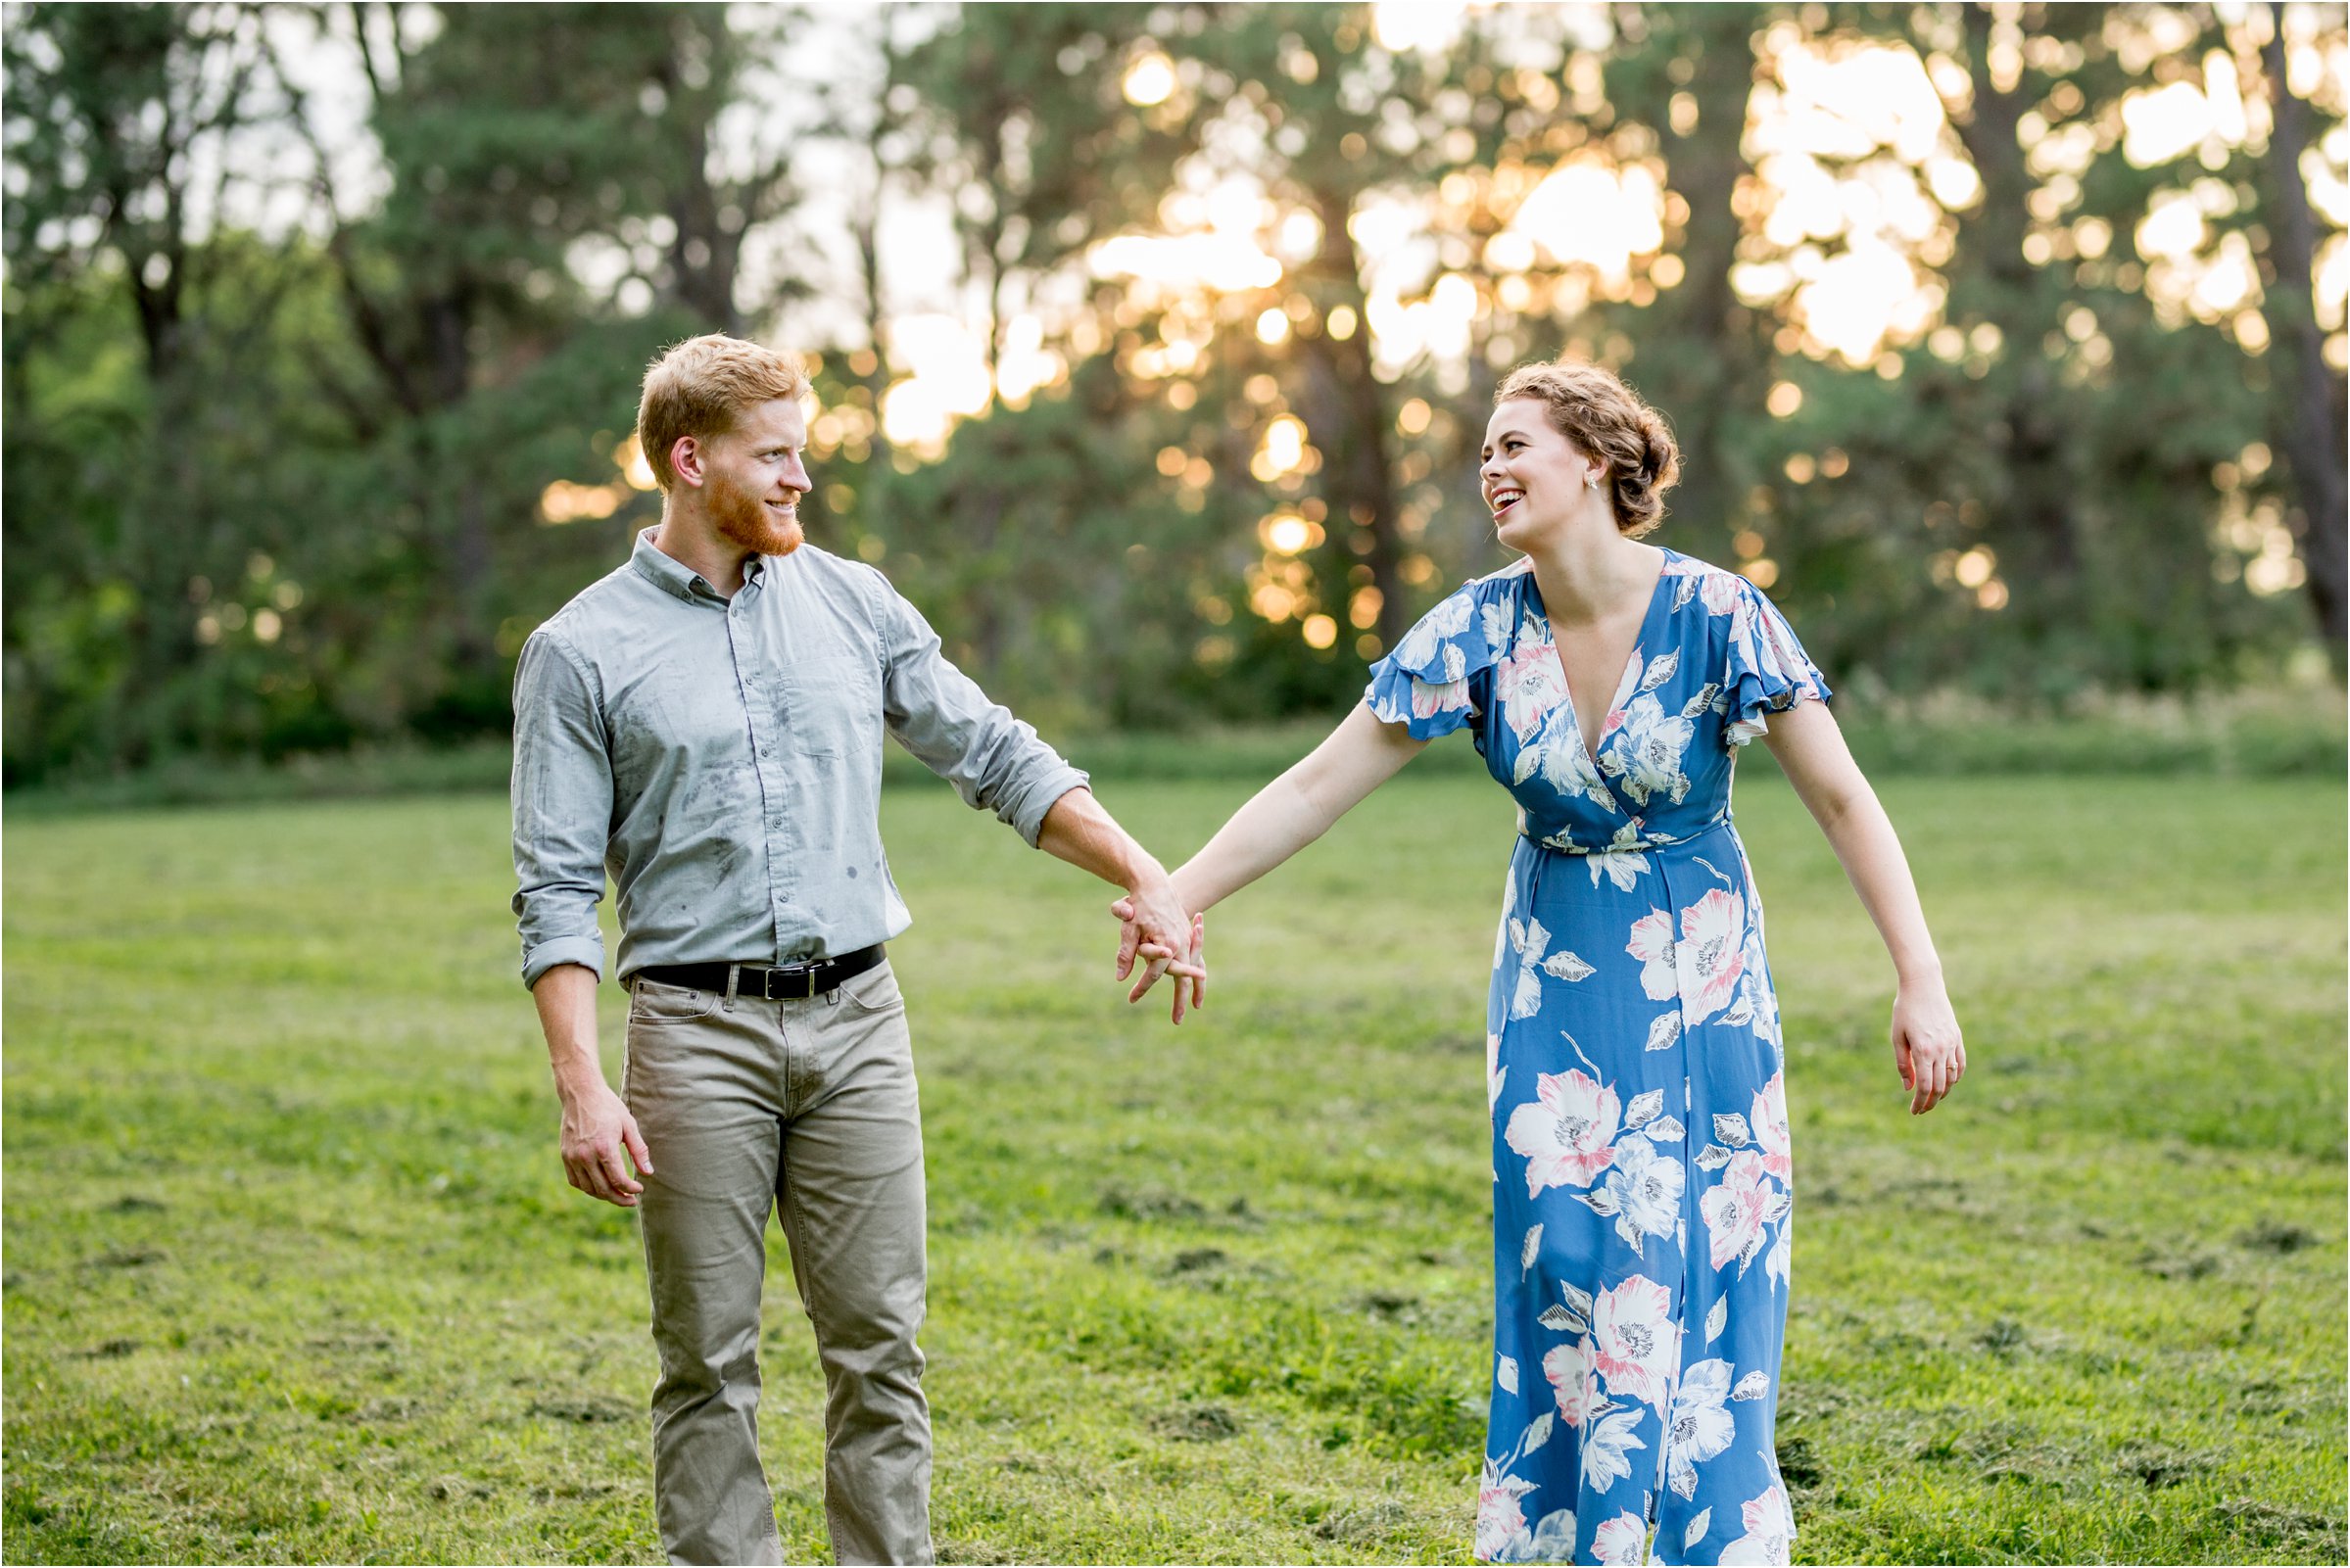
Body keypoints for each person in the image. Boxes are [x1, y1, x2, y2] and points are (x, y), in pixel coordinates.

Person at [1120, 359, 1965, 1566]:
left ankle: (1704, 1544)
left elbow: (1840, 796)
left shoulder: (1719, 612)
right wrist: (1175, 893)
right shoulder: (1471, 628)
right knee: (1565, 1257)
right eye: (1484, 452)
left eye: (1516, 444)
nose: (1493, 469)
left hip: (1701, 973)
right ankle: (1575, 1543)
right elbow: (1317, 782)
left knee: (1697, 1256)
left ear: (1596, 460)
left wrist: (1916, 975)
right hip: (1555, 972)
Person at [510, 334, 1201, 1567]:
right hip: (693, 1031)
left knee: (881, 1349)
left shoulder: (852, 600)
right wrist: (579, 1080)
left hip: (860, 1022)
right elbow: (556, 886)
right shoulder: (579, 650)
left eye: (801, 454)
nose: (798, 481)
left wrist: (1144, 869)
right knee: (707, 1362)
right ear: (689, 458)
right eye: (773, 456)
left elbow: (993, 753)